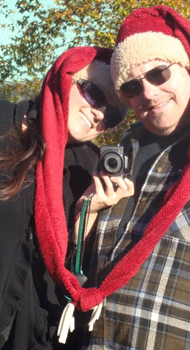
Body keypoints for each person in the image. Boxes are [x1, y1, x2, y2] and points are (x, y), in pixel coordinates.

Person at [59, 5, 190, 350]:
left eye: (159, 74)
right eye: (132, 86)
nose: (148, 93)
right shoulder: (123, 152)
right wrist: (86, 215)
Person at [0, 45, 134, 350]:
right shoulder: (2, 121)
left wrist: (86, 213)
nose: (99, 114)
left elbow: (73, 272)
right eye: (94, 95)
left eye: (112, 116)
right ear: (66, 76)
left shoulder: (88, 169)